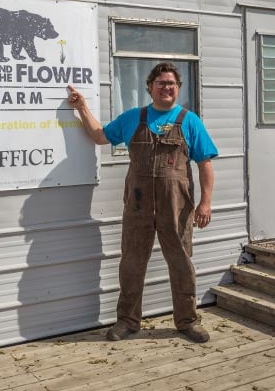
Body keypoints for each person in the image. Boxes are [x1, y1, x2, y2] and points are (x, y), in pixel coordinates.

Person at [67, 62, 217, 343]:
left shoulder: (190, 121)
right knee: (132, 265)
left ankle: (187, 321)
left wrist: (205, 203)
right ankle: (127, 322)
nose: (166, 88)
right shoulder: (133, 118)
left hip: (178, 208)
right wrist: (81, 108)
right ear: (150, 88)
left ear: (178, 89)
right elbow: (100, 136)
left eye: (171, 83)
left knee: (182, 264)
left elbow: (205, 164)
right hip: (138, 207)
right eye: (160, 83)